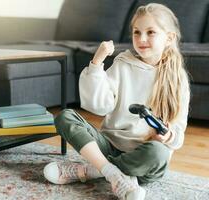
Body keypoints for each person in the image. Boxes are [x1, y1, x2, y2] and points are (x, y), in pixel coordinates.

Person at [43, 3, 190, 200]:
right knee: (65, 117)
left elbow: (178, 133)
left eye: (151, 32)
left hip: (143, 159)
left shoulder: (177, 78)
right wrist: (97, 63)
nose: (142, 39)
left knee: (159, 153)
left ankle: (93, 170)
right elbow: (99, 106)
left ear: (169, 38)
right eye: (137, 32)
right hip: (110, 145)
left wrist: (168, 136)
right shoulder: (123, 63)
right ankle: (114, 174)